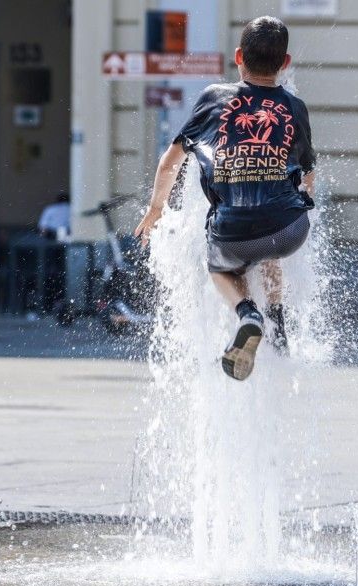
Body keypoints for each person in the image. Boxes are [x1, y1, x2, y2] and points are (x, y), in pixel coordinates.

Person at [135, 16, 316, 381]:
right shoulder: (295, 107)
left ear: (238, 57)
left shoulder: (214, 98)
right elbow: (308, 175)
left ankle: (248, 313)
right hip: (291, 230)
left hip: (233, 233)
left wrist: (156, 209)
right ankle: (277, 321)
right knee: (271, 238)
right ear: (285, 63)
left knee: (221, 265)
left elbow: (171, 161)